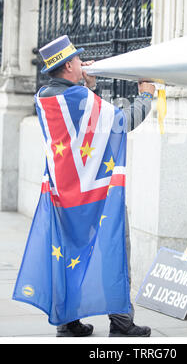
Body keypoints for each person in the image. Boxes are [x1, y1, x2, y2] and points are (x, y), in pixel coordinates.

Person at [37, 35, 155, 338]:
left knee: (70, 253)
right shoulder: (78, 99)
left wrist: (87, 85)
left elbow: (85, 128)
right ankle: (121, 321)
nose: (83, 61)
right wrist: (145, 97)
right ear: (68, 67)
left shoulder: (46, 97)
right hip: (94, 195)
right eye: (77, 59)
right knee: (113, 247)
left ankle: (67, 321)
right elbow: (120, 122)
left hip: (63, 195)